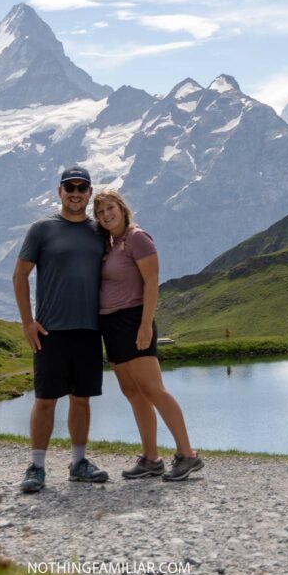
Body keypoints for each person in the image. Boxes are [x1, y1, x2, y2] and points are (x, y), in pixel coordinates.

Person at [93, 190, 203, 481]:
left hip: (133, 320)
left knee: (154, 390)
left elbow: (152, 282)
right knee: (133, 393)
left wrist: (145, 325)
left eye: (110, 208)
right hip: (111, 324)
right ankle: (151, 459)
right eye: (100, 212)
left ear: (122, 208)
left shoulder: (138, 238)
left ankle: (187, 454)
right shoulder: (109, 243)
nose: (106, 215)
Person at [13, 165, 109, 493]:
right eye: (70, 187)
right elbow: (20, 275)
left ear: (89, 193)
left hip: (89, 329)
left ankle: (78, 463)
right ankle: (36, 466)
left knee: (81, 399)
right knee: (45, 400)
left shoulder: (99, 232)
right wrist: (27, 322)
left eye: (82, 188)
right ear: (60, 192)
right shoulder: (41, 229)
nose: (76, 193)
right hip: (50, 331)